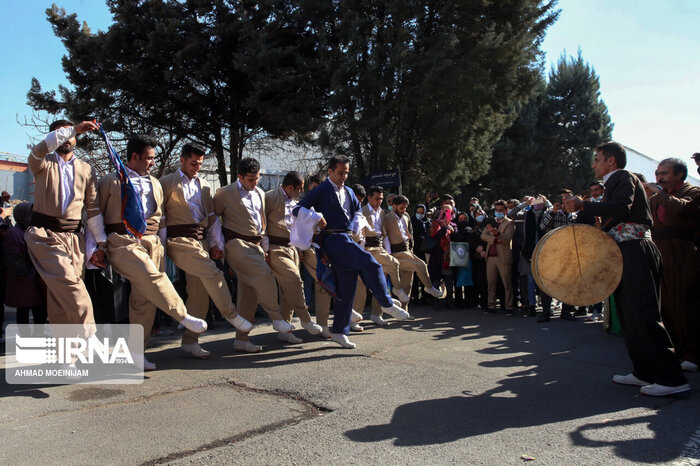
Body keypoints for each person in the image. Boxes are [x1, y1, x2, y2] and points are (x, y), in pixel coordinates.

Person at [564, 142, 689, 397]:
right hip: (624, 252)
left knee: (643, 314)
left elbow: (622, 207)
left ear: (611, 161)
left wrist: (583, 205)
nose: (593, 164)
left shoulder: (623, 176)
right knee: (629, 316)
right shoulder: (613, 182)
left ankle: (673, 378)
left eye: (597, 159)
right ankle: (644, 371)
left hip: (636, 250)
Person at [98, 135, 208, 370]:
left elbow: (161, 219)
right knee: (152, 276)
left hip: (152, 241)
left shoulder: (155, 183)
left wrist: (163, 245)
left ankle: (136, 352)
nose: (153, 163)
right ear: (134, 157)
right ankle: (182, 315)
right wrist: (98, 247)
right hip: (122, 240)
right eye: (149, 158)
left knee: (145, 298)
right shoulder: (110, 181)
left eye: (154, 158)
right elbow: (95, 214)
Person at [292, 155, 408, 348]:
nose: (343, 176)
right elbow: (297, 209)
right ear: (330, 171)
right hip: (332, 238)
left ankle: (339, 331)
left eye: (346, 172)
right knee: (370, 263)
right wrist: (315, 217)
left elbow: (357, 212)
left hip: (346, 238)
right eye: (340, 172)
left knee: (347, 285)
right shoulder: (321, 190)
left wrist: (355, 225)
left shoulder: (349, 192)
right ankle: (386, 302)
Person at [159, 144, 254, 358]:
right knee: (213, 273)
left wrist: (215, 245)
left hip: (199, 241)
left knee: (200, 292)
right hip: (178, 240)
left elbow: (212, 219)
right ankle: (231, 314)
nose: (197, 167)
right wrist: (161, 247)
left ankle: (190, 341)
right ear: (182, 160)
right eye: (193, 163)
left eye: (200, 164)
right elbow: (161, 217)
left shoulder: (204, 186)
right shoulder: (165, 183)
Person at [25, 120, 106, 332]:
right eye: (59, 134)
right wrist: (72, 129)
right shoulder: (41, 162)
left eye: (70, 135)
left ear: (76, 140)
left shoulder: (87, 169)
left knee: (60, 298)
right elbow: (40, 149)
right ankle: (90, 333)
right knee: (71, 284)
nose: (66, 138)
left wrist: (101, 244)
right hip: (45, 236)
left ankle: (67, 360)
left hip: (74, 239)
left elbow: (93, 209)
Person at [214, 157, 295, 353]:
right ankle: (276, 318)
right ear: (239, 177)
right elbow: (214, 220)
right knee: (264, 275)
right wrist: (217, 245)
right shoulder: (224, 193)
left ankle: (241, 339)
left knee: (248, 291)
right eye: (250, 179)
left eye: (256, 178)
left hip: (257, 245)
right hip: (236, 244)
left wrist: (266, 250)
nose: (254, 183)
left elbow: (263, 225)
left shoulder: (260, 193)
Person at [646, 158, 700, 372]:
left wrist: (658, 193)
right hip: (659, 250)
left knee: (686, 303)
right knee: (665, 303)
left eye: (665, 173)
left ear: (679, 174)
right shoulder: (656, 196)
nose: (659, 177)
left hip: (683, 252)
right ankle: (675, 349)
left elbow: (680, 209)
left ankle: (693, 354)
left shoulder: (693, 192)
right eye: (658, 172)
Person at [264, 171, 324, 343]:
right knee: (294, 280)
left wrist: (300, 247)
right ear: (290, 187)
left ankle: (286, 330)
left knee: (287, 291)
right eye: (299, 189)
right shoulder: (269, 197)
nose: (301, 192)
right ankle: (306, 319)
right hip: (275, 248)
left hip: (292, 248)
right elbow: (261, 223)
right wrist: (265, 249)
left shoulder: (297, 203)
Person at [352, 186, 409, 327]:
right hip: (366, 249)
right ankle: (354, 318)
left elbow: (386, 235)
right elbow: (357, 234)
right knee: (361, 286)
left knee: (381, 280)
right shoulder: (361, 211)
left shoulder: (383, 213)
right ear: (369, 198)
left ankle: (376, 314)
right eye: (377, 198)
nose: (379, 201)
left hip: (380, 248)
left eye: (381, 199)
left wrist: (387, 250)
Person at [385, 194, 445, 311]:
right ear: (394, 206)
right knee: (421, 265)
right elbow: (385, 236)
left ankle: (403, 309)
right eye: (402, 208)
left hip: (407, 250)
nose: (404, 210)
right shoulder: (387, 218)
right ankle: (429, 287)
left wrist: (410, 246)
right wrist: (388, 254)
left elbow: (409, 233)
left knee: (407, 283)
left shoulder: (406, 216)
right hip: (396, 252)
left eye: (405, 208)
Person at [4, 203, 47, 329]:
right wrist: (25, 273)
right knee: (24, 310)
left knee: (39, 310)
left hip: (35, 278)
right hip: (24, 279)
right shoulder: (14, 233)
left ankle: (38, 335)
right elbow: (14, 257)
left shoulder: (32, 230)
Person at [480, 200, 515, 314]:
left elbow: (507, 239)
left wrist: (498, 233)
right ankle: (491, 306)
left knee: (507, 283)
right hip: (491, 256)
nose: (498, 212)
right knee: (491, 283)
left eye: (501, 210)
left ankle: (509, 306)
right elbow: (483, 236)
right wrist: (494, 239)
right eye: (497, 210)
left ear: (506, 211)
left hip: (503, 257)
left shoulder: (509, 223)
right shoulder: (491, 221)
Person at [410, 203, 430, 303]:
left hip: (425, 252)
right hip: (415, 250)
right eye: (418, 212)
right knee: (415, 275)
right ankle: (415, 297)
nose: (420, 214)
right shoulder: (412, 222)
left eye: (422, 213)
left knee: (424, 273)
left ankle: (425, 297)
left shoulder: (427, 223)